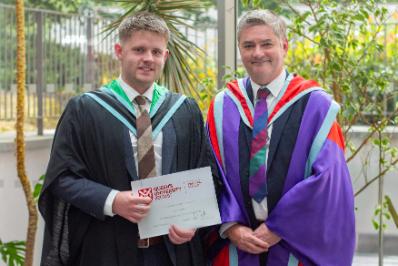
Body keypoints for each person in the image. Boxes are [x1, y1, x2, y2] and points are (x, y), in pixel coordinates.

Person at [39, 12, 208, 266]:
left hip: (172, 253)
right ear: (119, 51)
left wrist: (193, 220)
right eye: (139, 50)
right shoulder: (85, 109)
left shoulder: (185, 110)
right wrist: (112, 201)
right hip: (107, 250)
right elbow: (61, 178)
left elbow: (205, 174)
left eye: (156, 51)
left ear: (166, 56)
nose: (148, 59)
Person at [206, 9, 355, 266]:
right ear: (240, 50)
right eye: (248, 45)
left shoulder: (316, 106)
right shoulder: (222, 106)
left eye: (267, 44)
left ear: (284, 46)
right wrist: (230, 226)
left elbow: (327, 180)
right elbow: (210, 173)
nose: (257, 53)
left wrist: (279, 226)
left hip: (294, 244)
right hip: (236, 246)